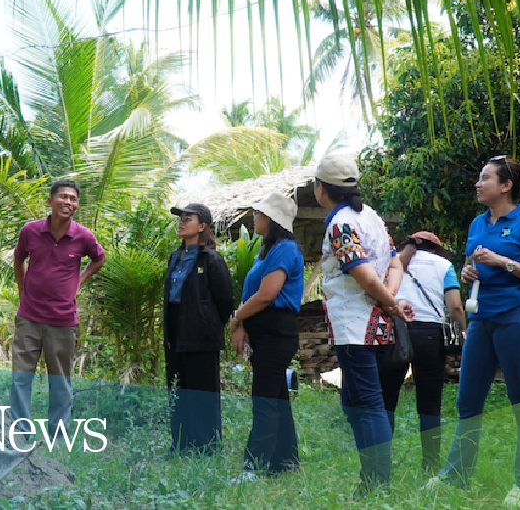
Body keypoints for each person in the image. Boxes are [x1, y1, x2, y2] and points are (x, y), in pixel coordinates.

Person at [431, 155, 520, 508]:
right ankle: (455, 474)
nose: (478, 184)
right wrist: (467, 273)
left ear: (507, 185)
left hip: (516, 317)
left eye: (485, 178)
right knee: (468, 402)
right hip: (481, 320)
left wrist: (504, 263)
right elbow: (469, 265)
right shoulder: (476, 225)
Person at [312, 154, 413, 493]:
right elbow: (395, 264)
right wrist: (392, 300)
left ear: (321, 189)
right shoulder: (371, 217)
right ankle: (372, 478)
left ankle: (375, 482)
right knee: (357, 400)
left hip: (356, 326)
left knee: (367, 404)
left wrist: (387, 300)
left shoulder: (340, 223)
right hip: (379, 323)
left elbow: (364, 275)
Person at [10, 179, 105, 433]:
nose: (68, 202)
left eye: (73, 199)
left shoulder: (83, 236)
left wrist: (80, 279)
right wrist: (22, 289)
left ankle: (58, 434)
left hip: (63, 320)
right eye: (63, 197)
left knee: (60, 381)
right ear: (50, 201)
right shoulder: (30, 231)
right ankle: (21, 431)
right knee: (21, 377)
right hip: (29, 317)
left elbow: (99, 257)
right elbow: (19, 258)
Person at [228, 192, 303, 480]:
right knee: (276, 397)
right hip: (265, 330)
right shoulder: (269, 251)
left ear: (272, 220)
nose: (255, 217)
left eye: (260, 213)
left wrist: (236, 318)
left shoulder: (284, 249)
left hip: (276, 331)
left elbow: (266, 295)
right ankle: (285, 460)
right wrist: (242, 325)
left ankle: (254, 466)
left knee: (264, 399)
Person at [379, 231, 465, 473]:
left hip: (396, 329)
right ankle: (430, 463)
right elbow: (455, 305)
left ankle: (382, 461)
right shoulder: (444, 265)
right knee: (429, 403)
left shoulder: (393, 262)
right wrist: (462, 332)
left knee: (387, 399)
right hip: (430, 334)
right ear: (436, 248)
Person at [163, 203, 233, 455]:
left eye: (187, 218)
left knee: (202, 392)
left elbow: (225, 300)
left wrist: (207, 324)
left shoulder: (212, 259)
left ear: (202, 226)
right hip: (175, 333)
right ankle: (180, 444)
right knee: (178, 389)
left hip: (202, 336)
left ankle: (207, 447)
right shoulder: (175, 256)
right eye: (180, 218)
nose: (181, 222)